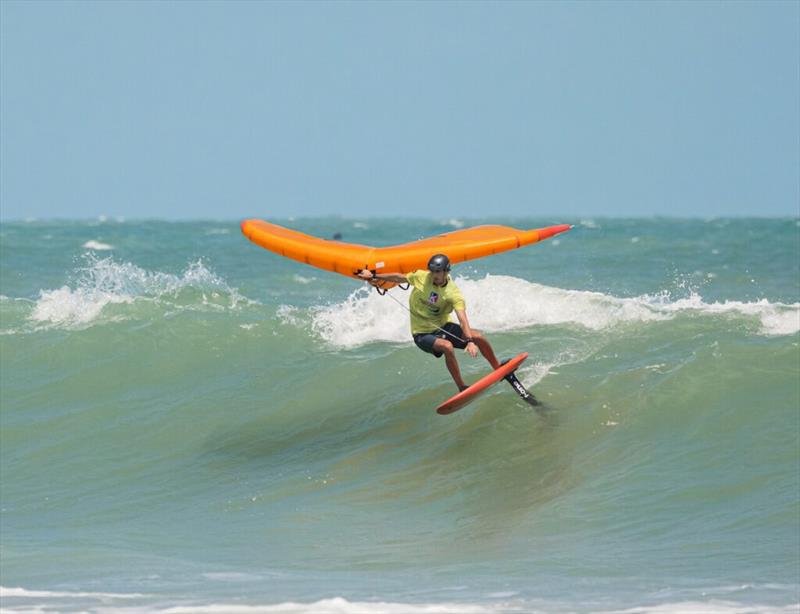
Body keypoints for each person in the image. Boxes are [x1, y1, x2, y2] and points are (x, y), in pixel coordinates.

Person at [358, 254, 500, 391]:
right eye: (432, 271)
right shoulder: (421, 277)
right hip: (421, 334)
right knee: (447, 346)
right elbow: (399, 278)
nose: (434, 274)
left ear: (446, 271)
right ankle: (461, 387)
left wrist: (470, 341)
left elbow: (463, 319)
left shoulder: (453, 293)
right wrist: (374, 276)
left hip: (443, 327)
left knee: (479, 337)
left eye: (437, 271)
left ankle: (498, 369)